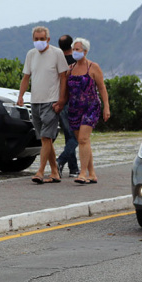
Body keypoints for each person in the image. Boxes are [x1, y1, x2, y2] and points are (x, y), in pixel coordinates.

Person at [17, 26, 69, 184]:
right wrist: (20, 96)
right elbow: (26, 77)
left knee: (46, 137)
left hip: (51, 102)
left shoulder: (57, 53)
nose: (39, 42)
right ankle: (55, 172)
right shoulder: (31, 55)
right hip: (35, 102)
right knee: (44, 139)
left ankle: (40, 171)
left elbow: (63, 77)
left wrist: (61, 100)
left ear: (48, 39)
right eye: (36, 39)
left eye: (42, 39)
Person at [66, 38, 110, 184]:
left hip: (91, 107)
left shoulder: (93, 67)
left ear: (85, 51)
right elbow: (65, 90)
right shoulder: (70, 69)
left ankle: (82, 173)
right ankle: (92, 173)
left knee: (83, 139)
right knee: (83, 141)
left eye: (78, 49)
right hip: (74, 108)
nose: (75, 52)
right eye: (74, 49)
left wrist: (106, 106)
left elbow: (102, 88)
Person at [55, 34, 80, 178]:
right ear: (71, 45)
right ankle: (60, 160)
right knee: (77, 137)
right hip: (74, 102)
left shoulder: (58, 61)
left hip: (60, 101)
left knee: (69, 136)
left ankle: (73, 168)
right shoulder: (76, 62)